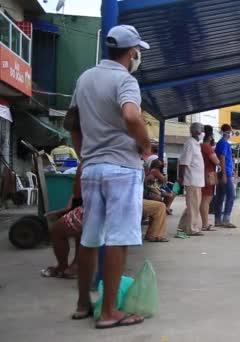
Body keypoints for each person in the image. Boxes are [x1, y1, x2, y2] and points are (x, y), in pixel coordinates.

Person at [64, 24, 150, 328]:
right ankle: (110, 311)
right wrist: (145, 145)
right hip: (122, 169)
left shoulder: (85, 78)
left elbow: (71, 122)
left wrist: (85, 154)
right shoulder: (126, 80)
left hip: (92, 169)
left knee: (89, 238)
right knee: (118, 240)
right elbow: (130, 115)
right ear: (131, 52)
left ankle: (82, 304)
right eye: (137, 50)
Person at [41, 165, 83, 279]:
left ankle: (64, 266)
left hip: (97, 207)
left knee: (58, 230)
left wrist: (62, 212)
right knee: (79, 228)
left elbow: (77, 192)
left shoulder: (90, 156)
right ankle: (76, 264)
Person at [177, 123, 205, 236]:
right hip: (192, 180)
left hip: (197, 180)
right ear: (196, 132)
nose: (202, 133)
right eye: (201, 131)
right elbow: (184, 163)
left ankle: (183, 226)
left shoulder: (196, 144)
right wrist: (181, 177)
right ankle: (192, 229)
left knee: (193, 205)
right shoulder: (190, 144)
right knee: (193, 206)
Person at [214, 124, 237, 228]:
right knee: (231, 195)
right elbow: (222, 158)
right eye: (231, 131)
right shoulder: (223, 143)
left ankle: (218, 220)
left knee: (220, 196)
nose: (232, 133)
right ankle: (226, 219)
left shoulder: (221, 143)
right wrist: (224, 174)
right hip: (225, 174)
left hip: (223, 173)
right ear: (227, 132)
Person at [201, 125, 220, 231]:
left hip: (203, 174)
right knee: (207, 199)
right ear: (210, 136)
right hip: (208, 175)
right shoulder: (207, 147)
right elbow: (216, 160)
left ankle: (203, 222)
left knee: (204, 199)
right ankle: (205, 224)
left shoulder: (200, 146)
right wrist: (220, 164)